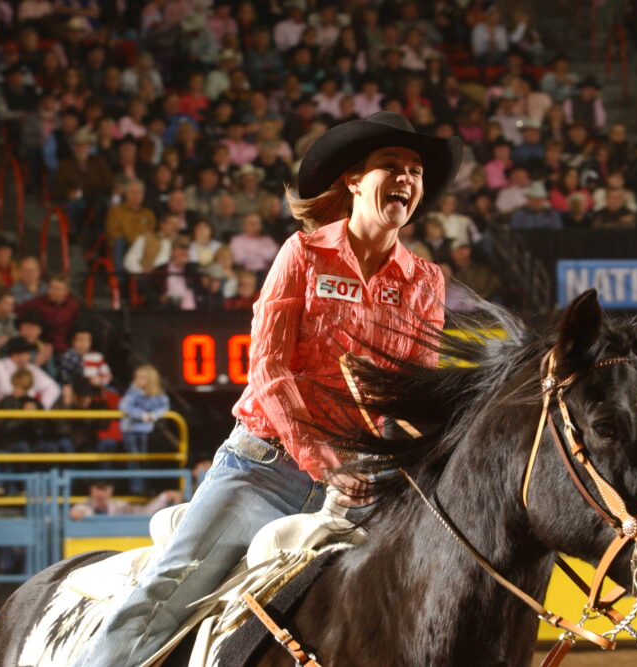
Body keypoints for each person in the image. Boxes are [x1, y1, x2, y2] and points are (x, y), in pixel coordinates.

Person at [75, 111, 461, 666]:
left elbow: (413, 392)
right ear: (354, 180)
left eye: (416, 171)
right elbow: (271, 371)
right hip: (266, 469)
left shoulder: (425, 280)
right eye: (390, 166)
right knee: (166, 592)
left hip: (366, 481)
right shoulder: (303, 253)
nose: (406, 178)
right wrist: (328, 463)